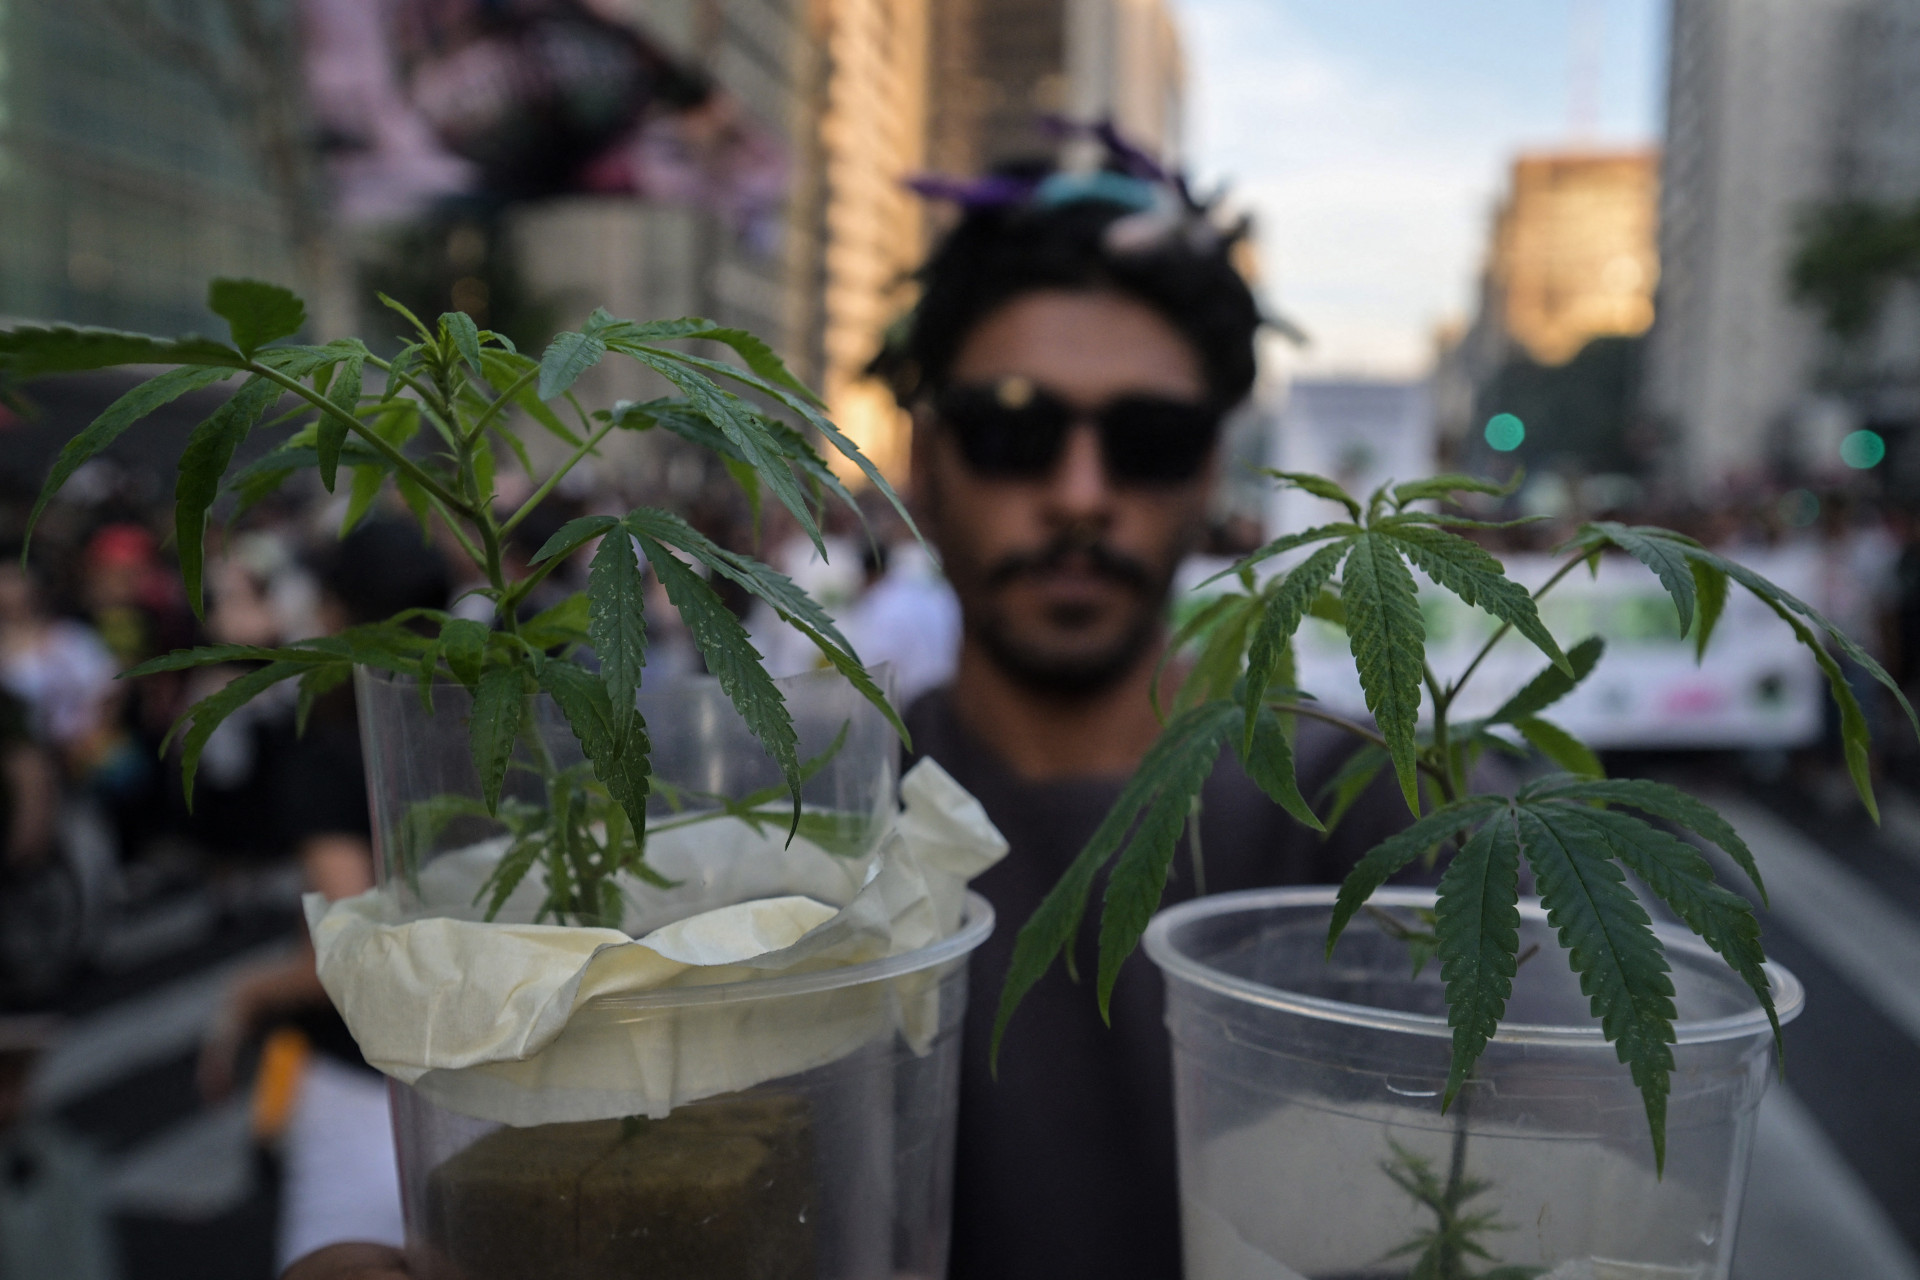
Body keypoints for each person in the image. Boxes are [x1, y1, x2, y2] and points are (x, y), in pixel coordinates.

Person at [877, 148, 1409, 1280]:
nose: (1081, 494)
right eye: (1012, 428)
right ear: (923, 459)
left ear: (1209, 468)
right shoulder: (815, 821)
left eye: (1149, 438)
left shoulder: (1376, 813)